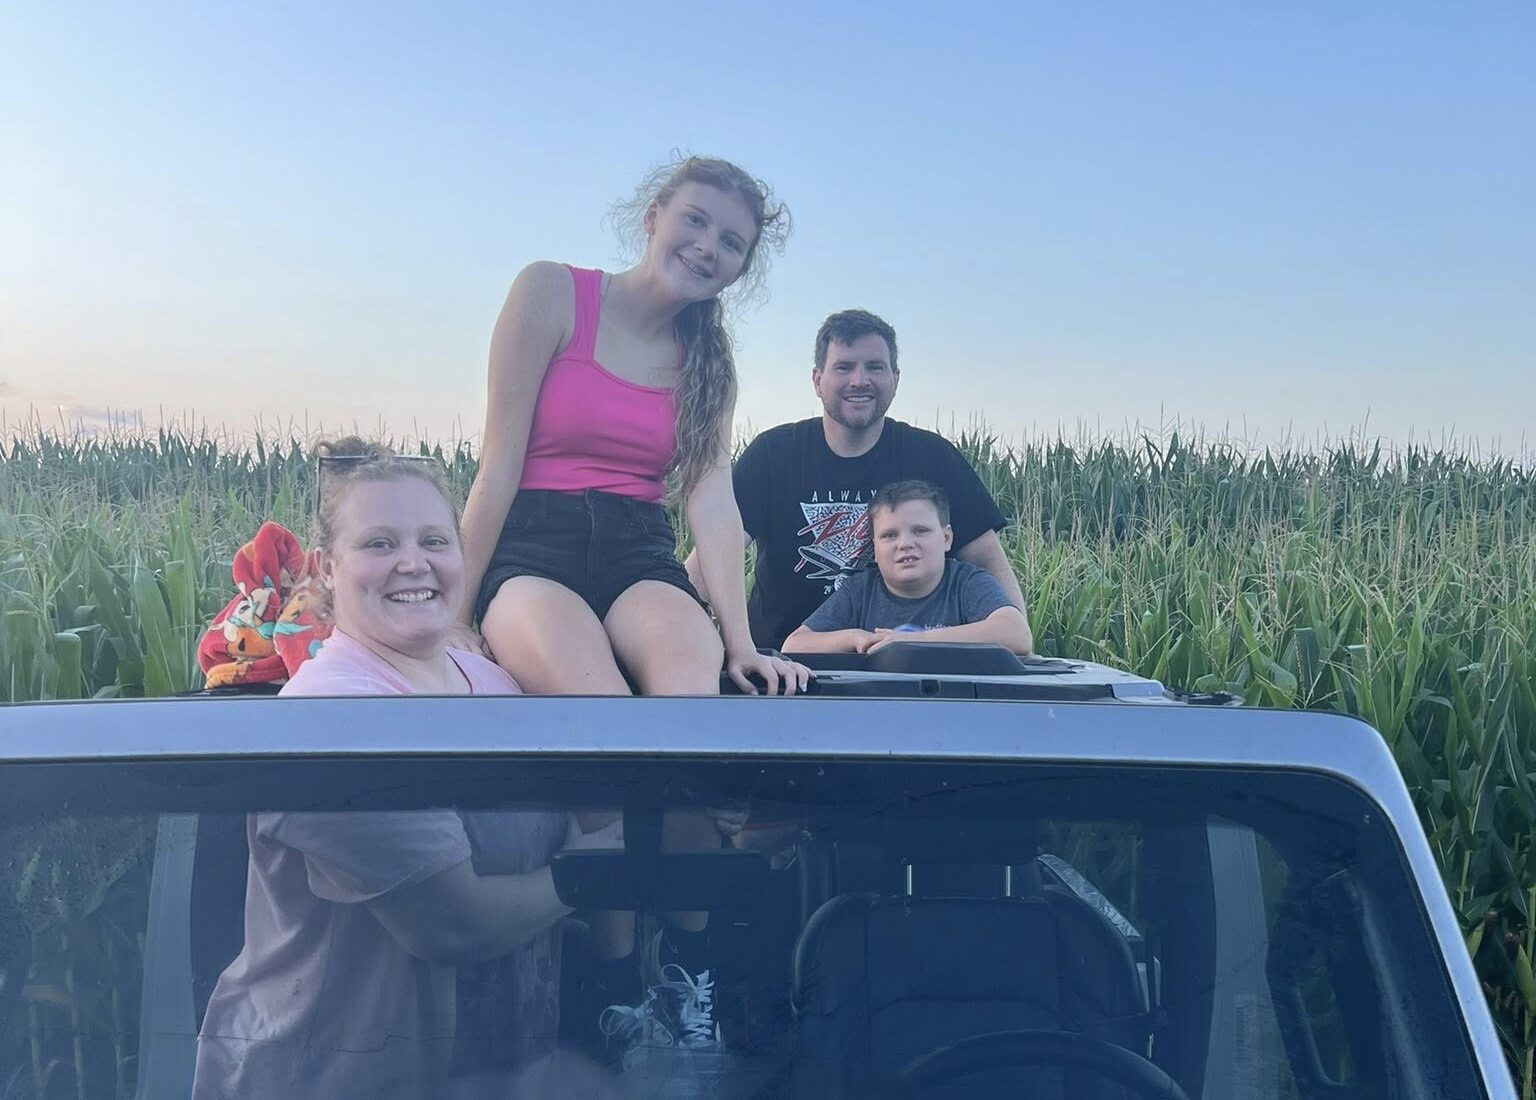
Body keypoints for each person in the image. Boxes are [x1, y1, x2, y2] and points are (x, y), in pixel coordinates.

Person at [192, 439, 623, 1100]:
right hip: (331, 1078)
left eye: (434, 540)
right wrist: (598, 870)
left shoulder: (493, 679)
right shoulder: (331, 716)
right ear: (325, 568)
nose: (413, 563)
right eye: (379, 544)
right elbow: (457, 923)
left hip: (486, 1075)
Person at [456, 155, 811, 699]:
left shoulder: (709, 365)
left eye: (731, 242)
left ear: (738, 270)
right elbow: (497, 467)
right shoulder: (550, 293)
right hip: (533, 548)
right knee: (597, 700)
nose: (707, 245)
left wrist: (740, 643)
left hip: (638, 553)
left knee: (691, 682)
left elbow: (713, 502)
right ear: (653, 217)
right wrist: (454, 617)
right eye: (695, 219)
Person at [687, 308, 1032, 652]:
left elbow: (987, 560)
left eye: (875, 367)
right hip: (781, 668)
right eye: (844, 367)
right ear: (817, 380)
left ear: (895, 378)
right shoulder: (773, 454)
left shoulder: (933, 457)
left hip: (911, 677)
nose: (859, 380)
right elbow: (710, 557)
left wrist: (1022, 653)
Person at [782, 480, 1032, 655]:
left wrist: (914, 641)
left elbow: (1017, 634)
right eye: (889, 535)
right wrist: (856, 638)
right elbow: (794, 645)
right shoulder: (859, 591)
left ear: (946, 538)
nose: (905, 544)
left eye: (920, 531)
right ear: (875, 548)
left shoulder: (966, 583)